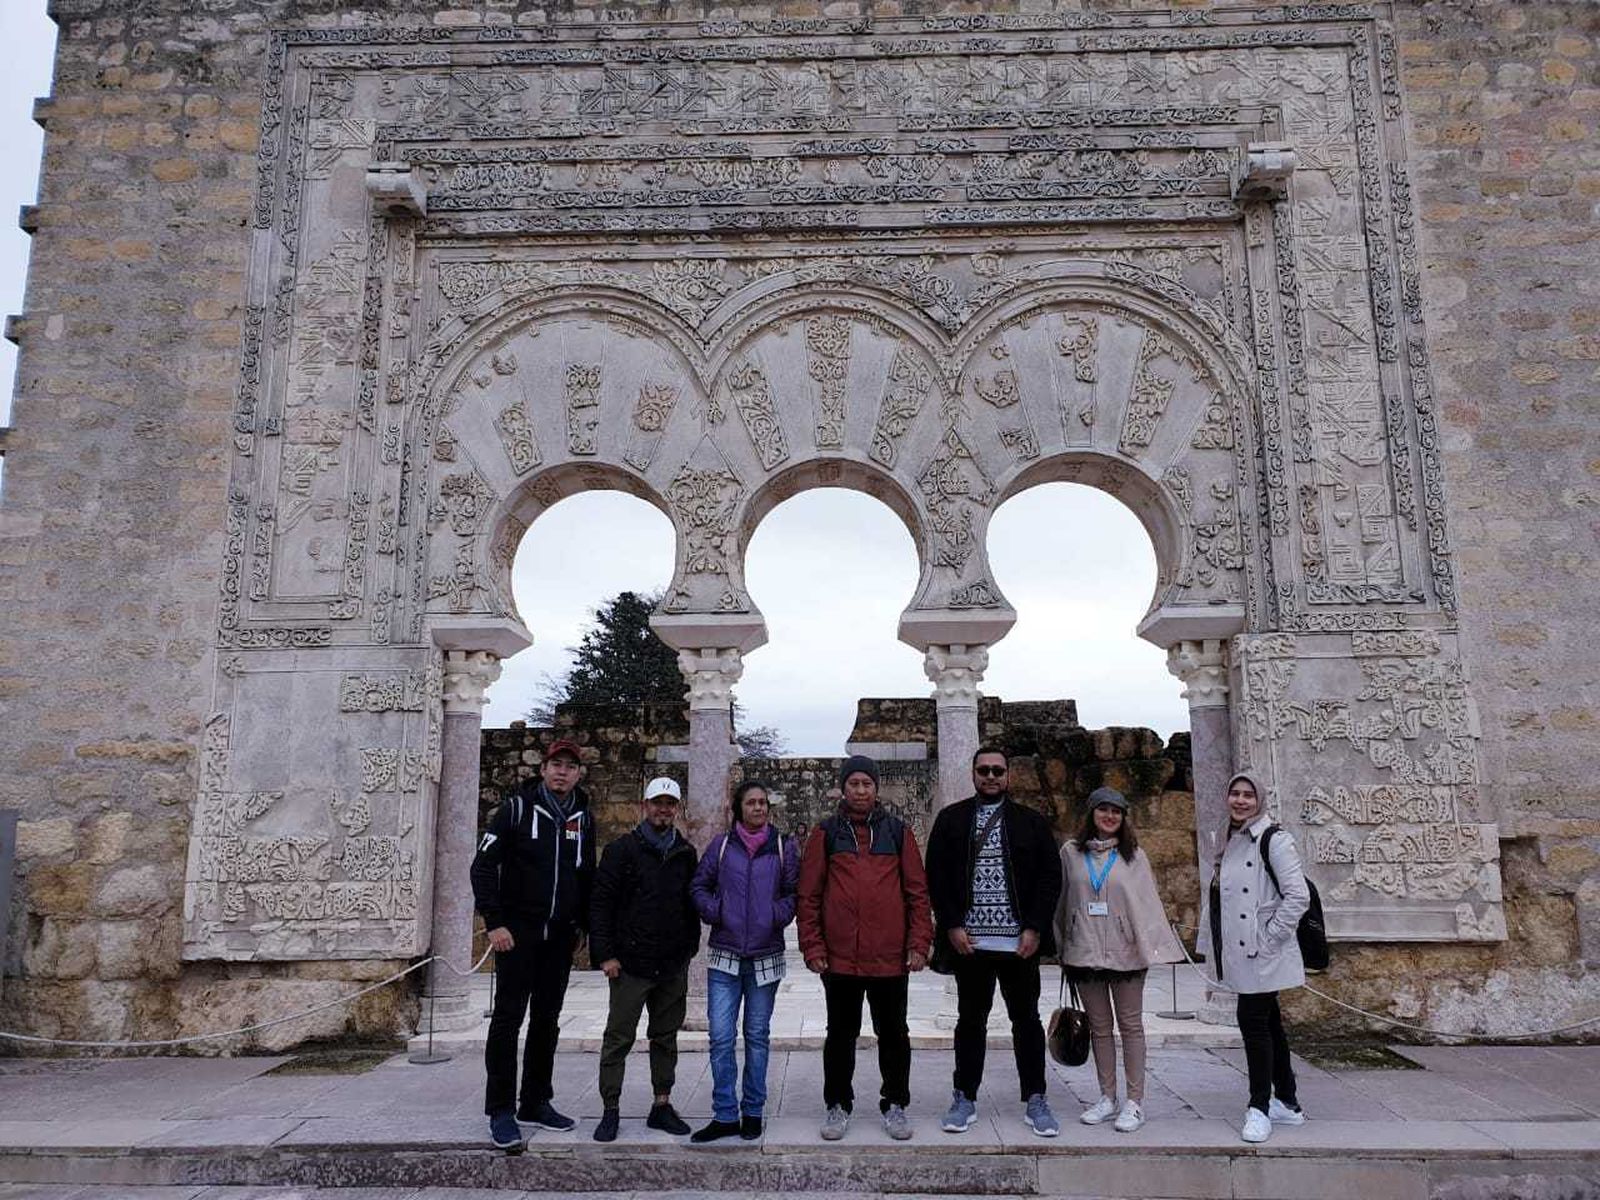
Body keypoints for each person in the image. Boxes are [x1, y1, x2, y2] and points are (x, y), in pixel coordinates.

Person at [925, 746, 1064, 1138]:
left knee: (1026, 1021)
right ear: (973, 774)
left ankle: (1035, 1096)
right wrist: (951, 924)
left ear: (1008, 776)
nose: (990, 776)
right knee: (970, 1021)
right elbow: (936, 874)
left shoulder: (1031, 823)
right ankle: (964, 1095)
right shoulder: (952, 820)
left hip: (1019, 943)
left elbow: (1049, 878)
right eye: (983, 770)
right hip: (971, 942)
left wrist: (1034, 927)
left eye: (997, 770)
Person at [797, 754, 933, 1142]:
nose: (860, 790)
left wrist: (919, 943)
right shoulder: (826, 833)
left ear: (876, 788)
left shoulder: (897, 832)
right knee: (840, 1034)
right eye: (854, 783)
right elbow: (808, 895)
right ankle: (837, 1104)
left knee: (894, 1034)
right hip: (840, 959)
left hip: (889, 958)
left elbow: (917, 894)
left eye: (867, 784)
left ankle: (895, 1104)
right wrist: (812, 945)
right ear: (844, 787)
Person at [471, 737, 595, 1153]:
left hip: (558, 938)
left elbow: (586, 874)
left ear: (578, 773)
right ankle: (501, 1109)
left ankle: (536, 1101)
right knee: (507, 1021)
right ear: (543, 769)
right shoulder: (516, 810)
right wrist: (495, 923)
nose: (562, 771)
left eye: (569, 766)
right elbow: (483, 867)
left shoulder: (583, 816)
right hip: (517, 935)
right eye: (555, 765)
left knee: (547, 1020)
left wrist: (582, 926)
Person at [1053, 786, 1183, 1133]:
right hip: (1086, 950)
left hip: (1126, 952)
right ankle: (1107, 1096)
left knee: (1131, 1026)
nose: (1110, 817)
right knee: (1099, 1028)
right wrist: (1062, 944)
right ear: (1091, 813)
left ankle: (1135, 1101)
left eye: (1117, 811)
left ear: (1123, 818)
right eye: (1103, 810)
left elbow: (1147, 903)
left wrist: (1153, 947)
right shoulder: (1071, 853)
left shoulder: (1134, 856)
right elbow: (1064, 901)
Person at [1197, 772, 1311, 1144]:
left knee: (1253, 1021)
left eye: (1248, 795)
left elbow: (1297, 896)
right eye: (1235, 793)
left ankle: (1259, 1106)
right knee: (1270, 1022)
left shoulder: (1274, 840)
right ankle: (1289, 1102)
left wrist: (1269, 937)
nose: (1241, 800)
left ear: (1259, 800)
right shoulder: (1228, 837)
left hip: (1262, 949)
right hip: (1240, 949)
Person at [688, 779, 801, 1143]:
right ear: (739, 808)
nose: (759, 808)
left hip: (765, 956)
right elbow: (698, 887)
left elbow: (793, 893)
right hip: (725, 954)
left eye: (763, 802)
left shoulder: (784, 847)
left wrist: (775, 915)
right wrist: (715, 910)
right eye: (752, 802)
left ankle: (752, 1110)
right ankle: (724, 1114)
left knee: (756, 1036)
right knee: (721, 1037)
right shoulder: (721, 848)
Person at [588, 776, 701, 1143]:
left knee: (665, 1037)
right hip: (631, 963)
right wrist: (605, 954)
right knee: (618, 1038)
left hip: (670, 963)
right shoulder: (622, 850)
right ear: (644, 806)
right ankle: (610, 1108)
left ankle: (662, 1104)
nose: (663, 809)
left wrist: (689, 948)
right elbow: (601, 904)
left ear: (677, 809)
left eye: (670, 803)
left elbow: (689, 905)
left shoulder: (684, 852)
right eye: (657, 802)